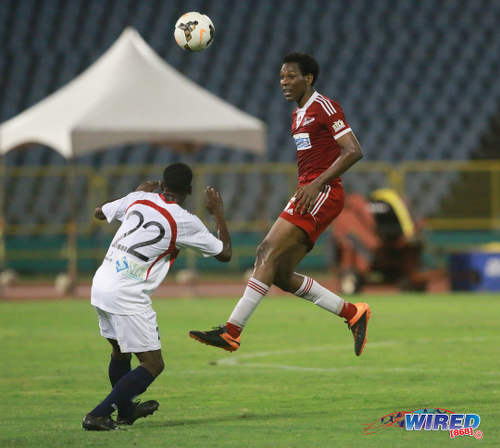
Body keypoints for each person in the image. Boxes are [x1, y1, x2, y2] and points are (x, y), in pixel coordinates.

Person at [189, 53, 370, 356]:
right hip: (308, 192)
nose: (283, 82)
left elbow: (353, 150)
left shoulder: (324, 106)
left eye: (291, 76)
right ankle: (353, 313)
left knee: (264, 251)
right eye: (282, 77)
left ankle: (232, 332)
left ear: (309, 78)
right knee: (281, 275)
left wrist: (316, 183)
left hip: (323, 192)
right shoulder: (297, 115)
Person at [82, 163, 231, 431]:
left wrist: (135, 194)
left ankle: (126, 412)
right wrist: (218, 213)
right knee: (152, 364)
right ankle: (98, 415)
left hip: (101, 282)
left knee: (119, 351)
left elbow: (98, 213)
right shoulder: (185, 221)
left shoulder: (139, 197)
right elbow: (224, 253)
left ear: (161, 185)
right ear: (189, 190)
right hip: (126, 293)